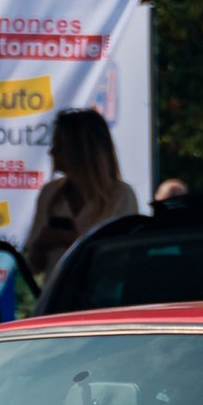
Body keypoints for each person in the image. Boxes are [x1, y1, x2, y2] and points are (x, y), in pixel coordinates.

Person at [20, 107, 138, 294]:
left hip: (100, 305)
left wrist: (74, 242)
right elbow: (33, 266)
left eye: (59, 145)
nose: (51, 152)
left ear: (81, 149)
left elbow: (123, 263)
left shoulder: (120, 196)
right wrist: (41, 246)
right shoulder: (50, 194)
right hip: (56, 303)